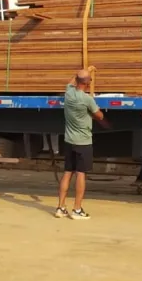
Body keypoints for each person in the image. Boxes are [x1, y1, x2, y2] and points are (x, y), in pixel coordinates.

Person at [56, 68, 107, 219]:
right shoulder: (87, 100)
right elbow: (100, 115)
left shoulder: (69, 93)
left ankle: (60, 207)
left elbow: (71, 82)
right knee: (80, 174)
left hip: (69, 140)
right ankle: (77, 209)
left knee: (67, 172)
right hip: (83, 142)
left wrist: (82, 72)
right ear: (87, 83)